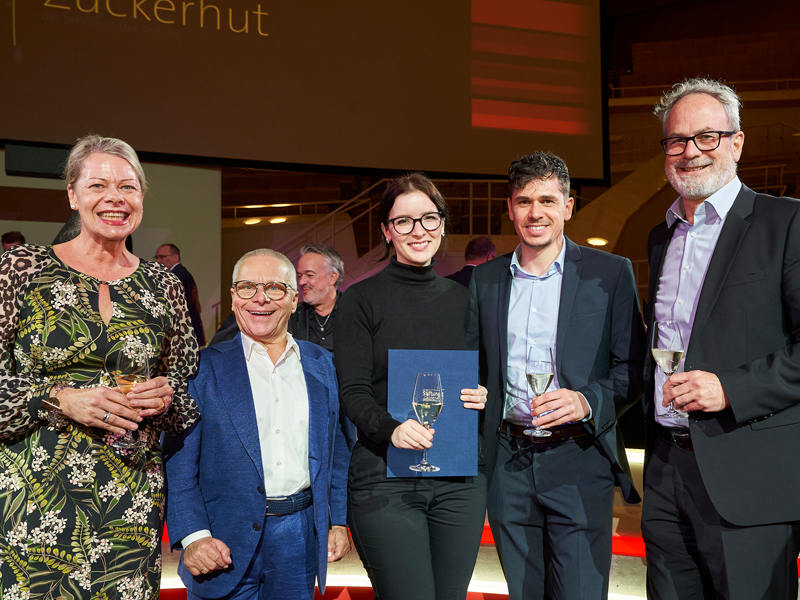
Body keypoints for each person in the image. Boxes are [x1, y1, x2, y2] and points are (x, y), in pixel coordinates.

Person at [0, 134, 200, 600]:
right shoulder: (22, 269)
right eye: (97, 185)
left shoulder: (163, 286)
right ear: (72, 194)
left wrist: (166, 397)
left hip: (130, 499)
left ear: (142, 198)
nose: (115, 198)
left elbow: (187, 393)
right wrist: (58, 398)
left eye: (128, 187)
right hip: (35, 497)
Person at [642, 78, 800, 599]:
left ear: (736, 143)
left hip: (749, 479)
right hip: (666, 472)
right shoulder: (661, 235)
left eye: (707, 137)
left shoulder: (787, 222)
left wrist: (729, 388)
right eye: (677, 141)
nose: (690, 152)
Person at [468, 152, 645, 600]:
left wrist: (586, 400)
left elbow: (634, 370)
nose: (535, 213)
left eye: (547, 200)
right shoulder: (483, 281)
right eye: (524, 201)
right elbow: (473, 365)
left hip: (578, 457)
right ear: (510, 209)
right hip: (507, 461)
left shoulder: (611, 274)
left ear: (568, 206)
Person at [163, 248, 353, 600]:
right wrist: (193, 536)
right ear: (234, 299)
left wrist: (336, 520)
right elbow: (178, 462)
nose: (260, 298)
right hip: (220, 542)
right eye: (248, 287)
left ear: (295, 300)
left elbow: (337, 452)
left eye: (275, 288)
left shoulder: (323, 366)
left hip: (299, 540)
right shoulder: (201, 369)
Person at [334, 173, 489, 600]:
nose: (418, 231)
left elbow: (484, 377)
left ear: (442, 224)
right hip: (386, 478)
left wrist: (483, 393)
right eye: (403, 221)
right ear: (386, 230)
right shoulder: (359, 300)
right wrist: (392, 427)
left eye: (428, 219)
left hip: (459, 481)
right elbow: (353, 392)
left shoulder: (466, 301)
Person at [291, 243, 344, 354]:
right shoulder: (292, 316)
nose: (301, 282)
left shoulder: (355, 312)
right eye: (299, 276)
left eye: (309, 275)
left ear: (332, 277)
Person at [155, 243, 207, 346]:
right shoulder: (182, 273)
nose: (158, 261)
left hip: (182, 334)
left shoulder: (175, 275)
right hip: (188, 331)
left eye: (162, 257)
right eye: (156, 257)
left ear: (175, 257)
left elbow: (174, 306)